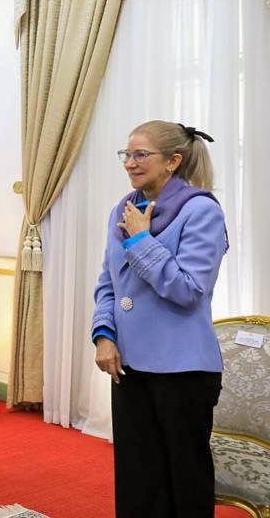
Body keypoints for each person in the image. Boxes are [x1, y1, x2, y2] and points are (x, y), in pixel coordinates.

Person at [91, 120, 227, 518]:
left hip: (182, 369)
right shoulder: (123, 208)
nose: (130, 163)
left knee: (184, 481)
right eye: (126, 154)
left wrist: (140, 240)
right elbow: (109, 282)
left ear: (173, 161)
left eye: (141, 154)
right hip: (129, 366)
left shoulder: (201, 210)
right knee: (138, 479)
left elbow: (188, 290)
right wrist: (104, 335)